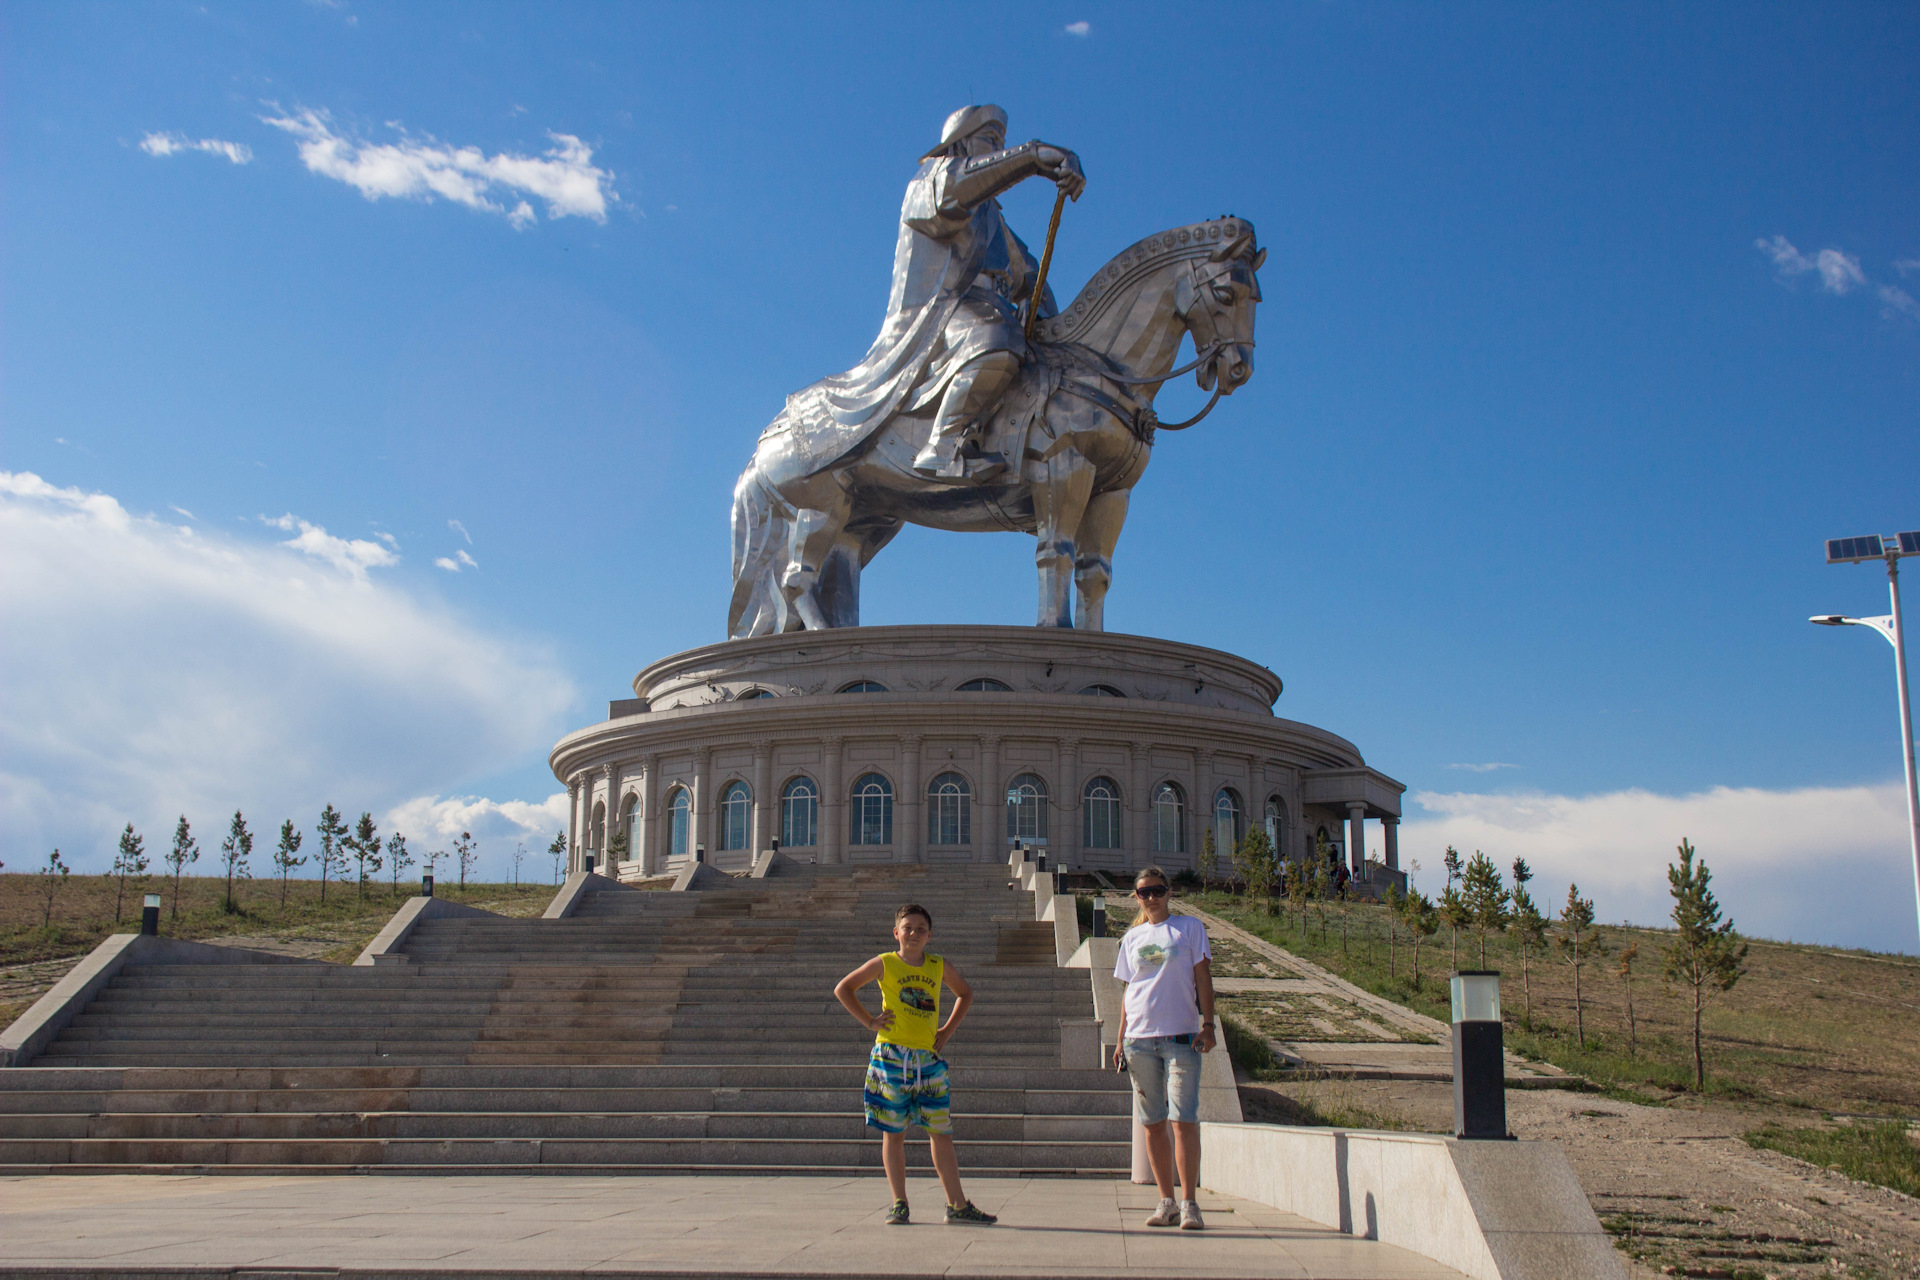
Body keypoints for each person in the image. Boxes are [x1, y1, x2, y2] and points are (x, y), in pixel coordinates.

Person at [796, 103, 1087, 485]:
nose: (997, 148)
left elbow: (1028, 275)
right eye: (989, 139)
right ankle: (943, 447)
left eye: (1001, 141)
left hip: (990, 308)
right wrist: (1031, 157)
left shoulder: (993, 218)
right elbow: (957, 191)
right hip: (941, 312)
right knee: (995, 340)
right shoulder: (931, 181)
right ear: (960, 143)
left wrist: (1059, 330)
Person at [834, 903, 996, 1226]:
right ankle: (899, 1202)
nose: (913, 933)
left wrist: (946, 1031)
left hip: (928, 1061)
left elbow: (965, 993)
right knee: (893, 1133)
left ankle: (957, 1204)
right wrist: (870, 1022)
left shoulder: (937, 966)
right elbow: (844, 988)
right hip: (891, 1058)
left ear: (930, 935)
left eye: (921, 929)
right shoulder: (885, 963)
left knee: (941, 1131)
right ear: (896, 932)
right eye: (907, 927)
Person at [1112, 865, 1217, 1230]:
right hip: (1139, 1040)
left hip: (1181, 1038)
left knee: (1182, 1120)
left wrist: (1208, 1025)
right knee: (1153, 1123)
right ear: (1137, 897)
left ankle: (1190, 1204)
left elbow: (1203, 977)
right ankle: (1166, 1202)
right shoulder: (1132, 938)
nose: (1152, 897)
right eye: (1144, 892)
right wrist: (1120, 1037)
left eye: (1157, 890)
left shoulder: (1189, 929)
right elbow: (1130, 989)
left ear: (1169, 891)